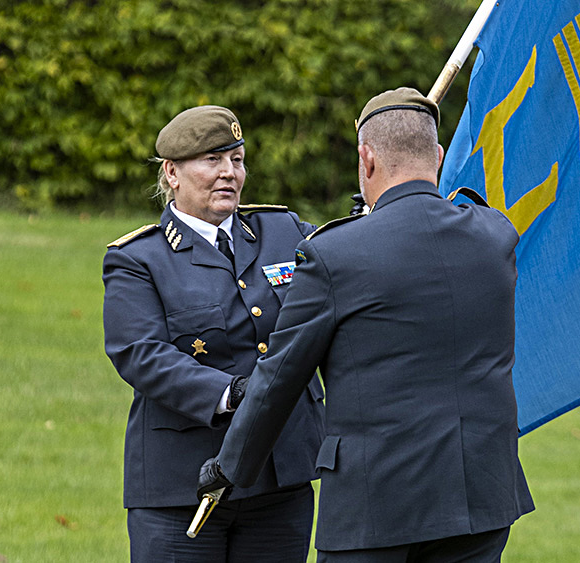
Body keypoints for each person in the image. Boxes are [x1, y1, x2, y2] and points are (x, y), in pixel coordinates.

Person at [197, 87, 535, 562]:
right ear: (437, 157)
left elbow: (280, 376)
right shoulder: (494, 233)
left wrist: (229, 467)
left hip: (378, 504)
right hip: (479, 492)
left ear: (366, 159)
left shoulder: (335, 253)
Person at [102, 105, 325, 561]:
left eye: (237, 160)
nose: (229, 174)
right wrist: (234, 392)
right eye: (212, 161)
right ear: (172, 173)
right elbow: (141, 354)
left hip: (278, 477)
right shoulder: (138, 258)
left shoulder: (282, 231)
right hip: (181, 485)